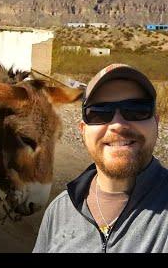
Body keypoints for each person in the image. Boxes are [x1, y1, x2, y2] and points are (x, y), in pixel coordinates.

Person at [33, 63, 168, 253]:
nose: (118, 125)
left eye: (136, 110)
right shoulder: (59, 211)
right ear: (83, 130)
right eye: (99, 113)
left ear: (156, 122)